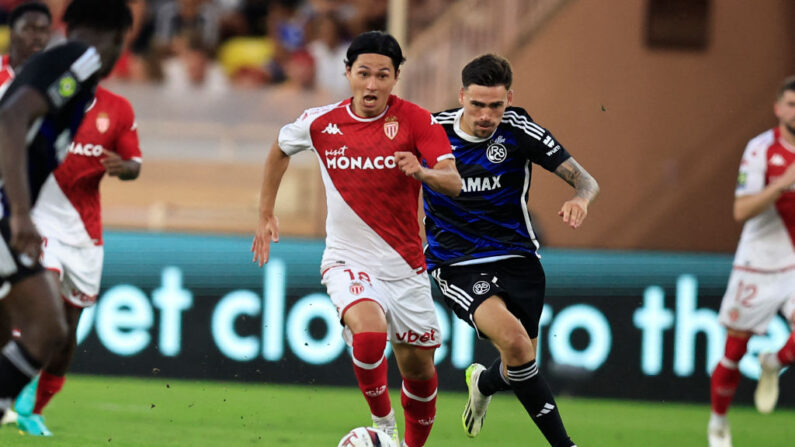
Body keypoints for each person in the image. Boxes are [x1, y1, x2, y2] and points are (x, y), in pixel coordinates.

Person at [251, 31, 461, 447]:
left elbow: (453, 181)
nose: (372, 84)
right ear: (347, 72)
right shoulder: (321, 122)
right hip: (348, 259)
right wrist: (264, 212)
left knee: (419, 371)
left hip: (405, 267)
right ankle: (383, 428)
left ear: (396, 77)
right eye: (363, 73)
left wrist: (422, 172)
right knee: (368, 333)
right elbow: (278, 149)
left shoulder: (417, 121)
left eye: (382, 75)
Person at [424, 54, 599, 447]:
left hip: (519, 258)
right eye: (477, 104)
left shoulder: (519, 128)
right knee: (518, 346)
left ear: (509, 99)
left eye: (496, 105)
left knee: (519, 365)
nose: (486, 115)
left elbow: (587, 180)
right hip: (457, 263)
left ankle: (483, 382)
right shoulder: (431, 131)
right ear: (461, 96)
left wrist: (581, 199)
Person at [0, 0, 132, 425]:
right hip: (7, 214)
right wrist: (21, 213)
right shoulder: (79, 61)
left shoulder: (72, 71)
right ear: (115, 39)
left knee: (25, 330)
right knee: (47, 327)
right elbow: (11, 119)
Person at [10, 83, 142, 436]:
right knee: (43, 308)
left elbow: (134, 165)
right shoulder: (43, 96)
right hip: (40, 222)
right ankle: (14, 385)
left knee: (67, 331)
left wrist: (123, 167)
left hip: (85, 236)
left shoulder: (117, 108)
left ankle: (33, 410)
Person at [708, 75, 795, 447]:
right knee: (734, 349)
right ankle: (718, 423)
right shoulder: (761, 150)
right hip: (758, 263)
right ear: (778, 108)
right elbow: (740, 209)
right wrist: (782, 184)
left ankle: (774, 362)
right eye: (791, 104)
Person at [0, 1, 52, 96]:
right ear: (12, 33)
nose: (37, 37)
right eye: (29, 29)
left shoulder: (55, 78)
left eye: (43, 30)